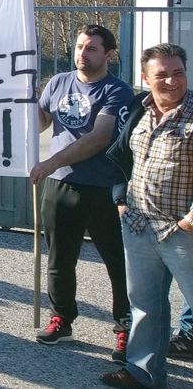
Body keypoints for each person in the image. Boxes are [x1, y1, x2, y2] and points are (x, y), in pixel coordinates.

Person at [29, 25, 133, 361]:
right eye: (78, 46)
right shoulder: (59, 82)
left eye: (91, 48)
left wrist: (50, 161)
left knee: (118, 261)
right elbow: (42, 121)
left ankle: (126, 327)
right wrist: (21, 102)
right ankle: (63, 319)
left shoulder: (117, 91)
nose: (82, 54)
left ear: (108, 54)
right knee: (60, 258)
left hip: (102, 187)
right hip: (60, 184)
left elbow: (99, 137)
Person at [99, 43, 193, 388]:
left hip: (182, 231)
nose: (171, 81)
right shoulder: (139, 108)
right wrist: (121, 199)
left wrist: (189, 222)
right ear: (145, 78)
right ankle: (143, 373)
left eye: (178, 72)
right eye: (162, 74)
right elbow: (122, 156)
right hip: (139, 227)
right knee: (145, 305)